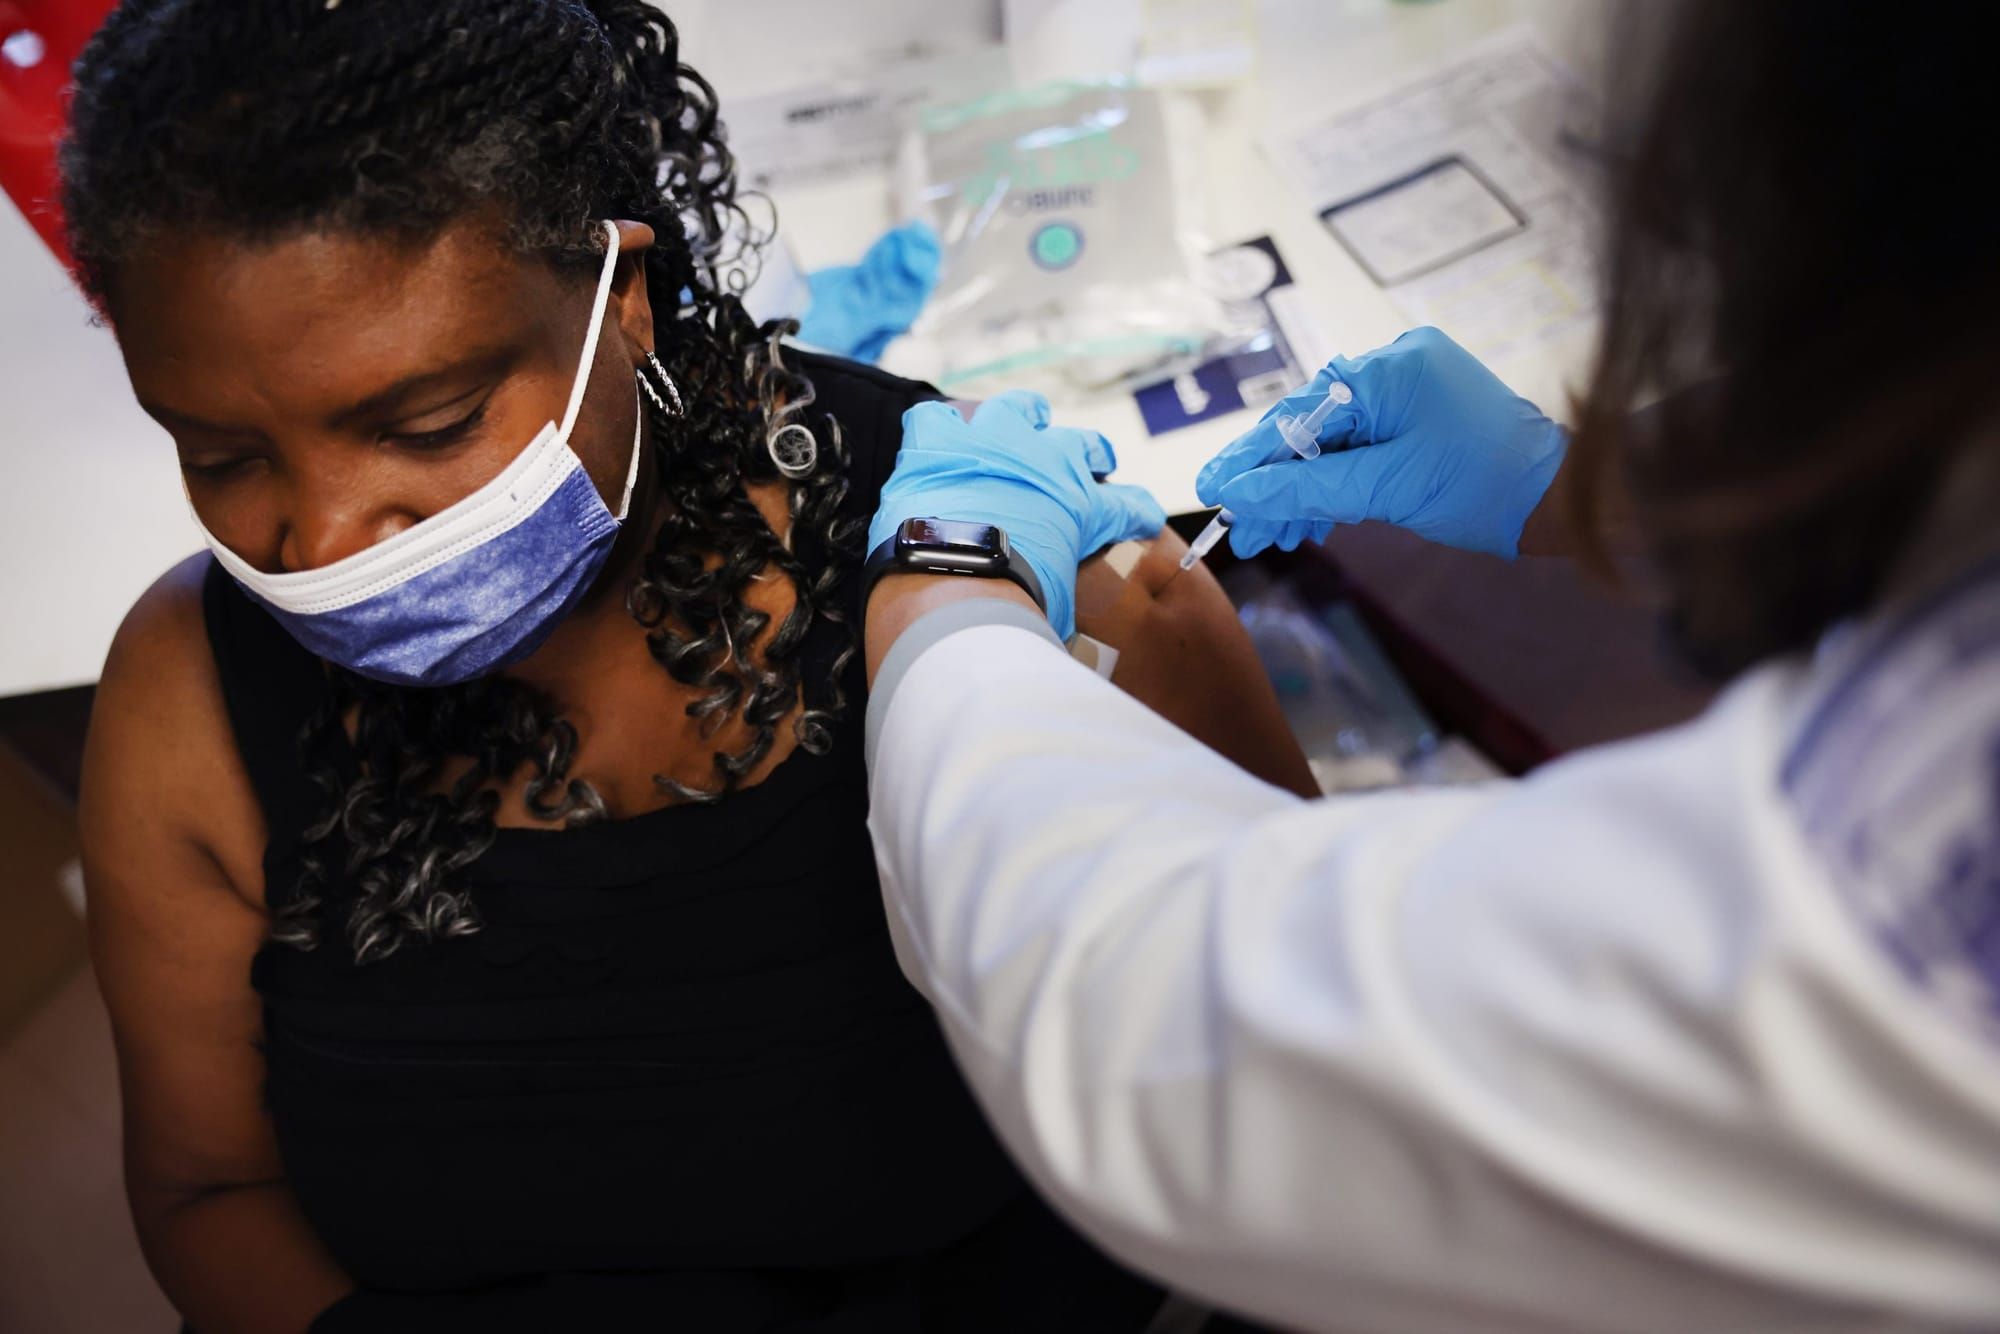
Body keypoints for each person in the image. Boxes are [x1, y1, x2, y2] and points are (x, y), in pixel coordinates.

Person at [65, 3, 1314, 1330]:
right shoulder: (187, 701)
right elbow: (207, 1192)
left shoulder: (1021, 588)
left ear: (627, 304)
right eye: (221, 456)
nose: (317, 537)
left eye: (426, 423)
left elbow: (1330, 1108)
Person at [858, 2, 2000, 1330]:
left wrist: (947, 596)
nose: (1156, 570)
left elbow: (1172, 1032)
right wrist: (1585, 497)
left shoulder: (1898, 877)